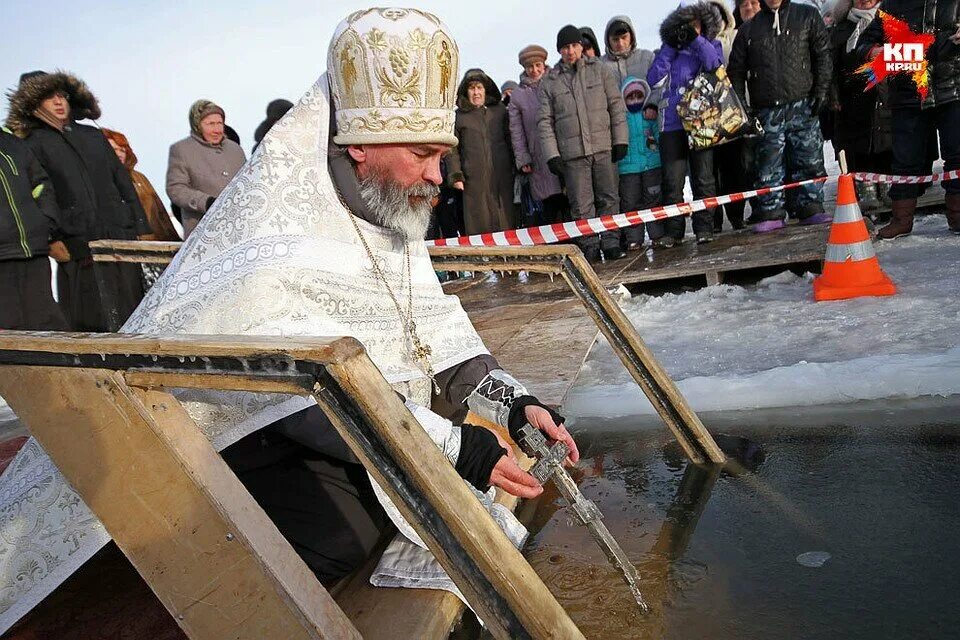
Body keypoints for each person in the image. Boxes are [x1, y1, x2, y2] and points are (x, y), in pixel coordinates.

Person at [0, 9, 582, 621]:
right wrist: (453, 447)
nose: (438, 175)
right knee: (344, 530)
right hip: (237, 433)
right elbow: (296, 390)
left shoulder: (390, 204)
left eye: (443, 155)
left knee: (397, 497)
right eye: (422, 153)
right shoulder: (275, 231)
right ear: (359, 145)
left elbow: (430, 329)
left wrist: (516, 405)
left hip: (334, 413)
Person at [5, 71, 151, 331]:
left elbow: (122, 181)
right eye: (49, 97)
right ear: (33, 103)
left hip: (119, 232)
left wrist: (139, 224)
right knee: (90, 319)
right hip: (76, 241)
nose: (58, 102)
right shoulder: (30, 144)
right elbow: (38, 195)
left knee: (133, 310)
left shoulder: (93, 135)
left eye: (61, 95)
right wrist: (52, 240)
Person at [728, 0, 833, 232]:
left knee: (809, 159)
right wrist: (743, 108)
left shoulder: (807, 15)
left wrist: (822, 91)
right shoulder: (748, 29)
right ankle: (770, 211)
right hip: (766, 111)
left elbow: (823, 55)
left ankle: (811, 206)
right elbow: (735, 71)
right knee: (768, 165)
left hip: (804, 104)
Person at [857, 0, 960, 238]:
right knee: (905, 161)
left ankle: (957, 215)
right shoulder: (893, 4)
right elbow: (863, 44)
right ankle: (901, 220)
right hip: (908, 94)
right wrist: (875, 52)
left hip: (953, 89)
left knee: (957, 155)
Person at [539, 25, 629, 262]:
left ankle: (611, 243)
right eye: (565, 47)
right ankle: (589, 246)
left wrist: (620, 140)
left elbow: (616, 106)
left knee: (609, 198)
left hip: (603, 147)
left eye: (574, 45)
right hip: (573, 155)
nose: (570, 51)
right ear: (559, 51)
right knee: (581, 205)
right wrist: (552, 154)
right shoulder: (550, 81)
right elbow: (545, 121)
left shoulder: (600, 70)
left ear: (581, 47)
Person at [647, 1, 726, 245]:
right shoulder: (667, 50)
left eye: (694, 24)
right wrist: (671, 46)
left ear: (703, 24)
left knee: (704, 178)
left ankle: (705, 227)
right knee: (672, 181)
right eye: (684, 25)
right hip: (671, 124)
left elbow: (715, 66)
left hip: (701, 121)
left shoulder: (711, 44)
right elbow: (654, 80)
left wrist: (696, 40)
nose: (689, 28)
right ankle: (674, 231)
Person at [826, 0, 891, 214]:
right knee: (858, 145)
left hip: (885, 95)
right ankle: (865, 187)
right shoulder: (841, 29)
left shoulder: (889, 21)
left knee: (886, 142)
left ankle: (888, 184)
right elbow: (831, 67)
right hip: (852, 98)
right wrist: (833, 96)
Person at [0, 127, 67, 330]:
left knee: (48, 326)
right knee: (9, 330)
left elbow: (41, 184)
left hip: (33, 250)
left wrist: (45, 222)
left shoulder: (12, 142)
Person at [447, 68, 516, 235]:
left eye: (479, 87)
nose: (476, 92)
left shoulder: (500, 111)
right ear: (466, 91)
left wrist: (516, 166)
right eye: (472, 88)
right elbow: (452, 148)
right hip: (473, 179)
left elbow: (511, 139)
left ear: (486, 89)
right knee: (478, 221)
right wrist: (456, 175)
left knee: (506, 219)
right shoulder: (459, 117)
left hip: (503, 175)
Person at [165, 99, 246, 238]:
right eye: (210, 124)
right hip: (202, 231)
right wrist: (206, 202)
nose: (217, 130)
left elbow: (249, 182)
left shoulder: (235, 150)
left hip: (238, 229)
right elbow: (176, 188)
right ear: (197, 125)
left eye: (220, 123)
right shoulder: (182, 150)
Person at [508, 44, 567, 225]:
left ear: (544, 64)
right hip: (538, 156)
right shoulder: (518, 96)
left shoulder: (556, 82)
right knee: (549, 207)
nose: (534, 70)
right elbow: (516, 131)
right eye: (530, 67)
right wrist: (523, 159)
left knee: (569, 201)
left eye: (538, 65)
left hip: (563, 148)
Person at [102, 128, 180, 241]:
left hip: (151, 241)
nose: (119, 154)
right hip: (117, 243)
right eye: (114, 150)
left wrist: (173, 238)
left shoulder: (139, 178)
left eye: (122, 150)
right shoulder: (96, 179)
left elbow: (160, 211)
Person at [617, 78, 662, 249]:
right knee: (631, 204)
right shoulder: (621, 119)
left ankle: (657, 235)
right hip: (628, 168)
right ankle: (634, 239)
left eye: (639, 96)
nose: (635, 100)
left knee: (654, 201)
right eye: (630, 97)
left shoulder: (649, 115)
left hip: (651, 165)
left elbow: (658, 135)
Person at [602, 16, 656, 88]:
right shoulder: (600, 65)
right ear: (608, 41)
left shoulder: (647, 57)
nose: (620, 44)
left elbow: (659, 87)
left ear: (631, 36)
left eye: (624, 37)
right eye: (615, 39)